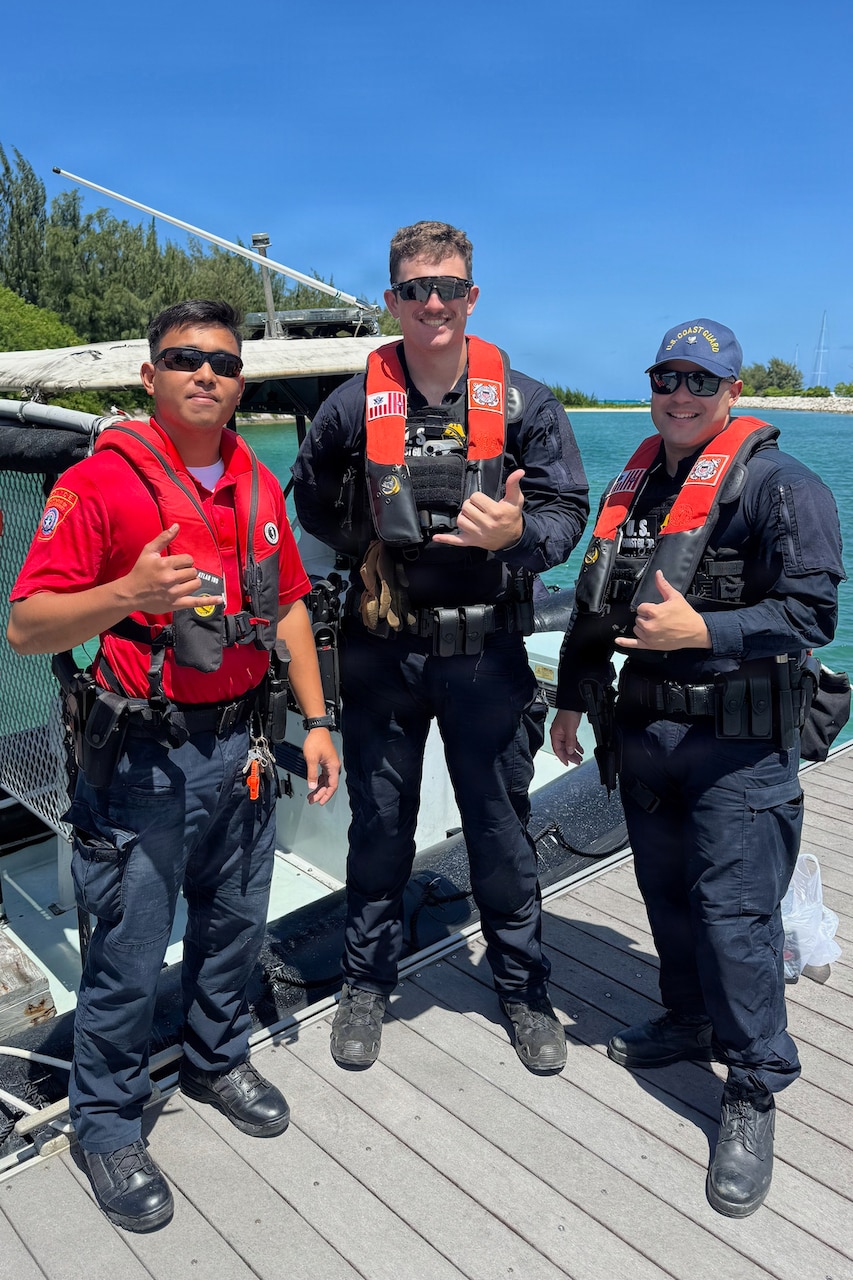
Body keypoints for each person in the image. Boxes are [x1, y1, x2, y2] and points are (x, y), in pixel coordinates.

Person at [7, 299, 340, 1233]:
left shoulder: (255, 483)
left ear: (241, 383)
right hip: (140, 763)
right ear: (148, 377)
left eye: (224, 364)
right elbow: (27, 627)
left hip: (240, 748)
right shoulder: (100, 484)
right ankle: (107, 1126)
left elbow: (286, 612)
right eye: (184, 359)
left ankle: (214, 1057)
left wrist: (315, 723)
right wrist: (125, 593)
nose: (206, 374)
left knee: (234, 924)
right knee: (124, 951)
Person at [550, 319, 843, 1217]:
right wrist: (570, 693)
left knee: (735, 919)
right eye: (665, 379)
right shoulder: (639, 486)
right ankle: (687, 1018)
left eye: (698, 381)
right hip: (646, 738)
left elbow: (810, 614)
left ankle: (753, 1086)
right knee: (666, 898)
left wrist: (704, 632)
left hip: (738, 753)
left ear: (730, 391)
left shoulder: (782, 487)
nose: (679, 395)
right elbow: (599, 600)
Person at [292, 221, 589, 1075]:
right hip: (382, 651)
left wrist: (515, 534)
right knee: (378, 829)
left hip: (487, 655)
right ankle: (364, 984)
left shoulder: (528, 404)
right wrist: (373, 535)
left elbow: (567, 514)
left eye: (448, 287)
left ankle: (523, 988)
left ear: (472, 296)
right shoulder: (351, 406)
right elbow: (311, 503)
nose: (432, 303)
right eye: (415, 288)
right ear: (391, 300)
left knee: (499, 828)